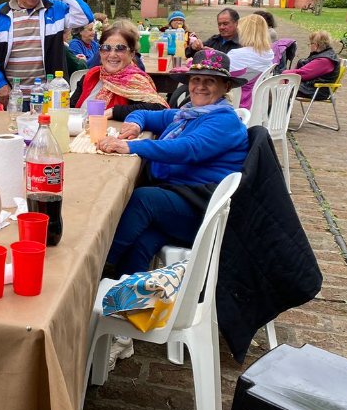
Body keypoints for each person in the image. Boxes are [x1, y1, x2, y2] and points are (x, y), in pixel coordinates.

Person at [96, 49, 248, 276]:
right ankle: (126, 294)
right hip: (184, 196)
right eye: (196, 79)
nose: (200, 86)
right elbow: (146, 114)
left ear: (226, 87)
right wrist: (135, 125)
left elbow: (186, 149)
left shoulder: (223, 120)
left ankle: (96, 268)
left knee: (143, 199)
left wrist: (130, 146)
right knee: (144, 239)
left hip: (205, 211)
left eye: (210, 81)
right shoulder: (189, 114)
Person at [71, 27, 168, 121]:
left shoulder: (135, 81)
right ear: (100, 53)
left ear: (132, 54)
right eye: (106, 48)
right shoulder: (91, 76)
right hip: (81, 134)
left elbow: (159, 108)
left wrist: (114, 112)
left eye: (120, 48)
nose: (112, 55)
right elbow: (71, 109)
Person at [226, 14, 274, 109]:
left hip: (236, 105)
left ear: (245, 33)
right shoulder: (269, 55)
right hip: (259, 107)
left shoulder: (235, 55)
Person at [294, 30, 341, 101]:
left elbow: (304, 73)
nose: (310, 46)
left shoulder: (324, 60)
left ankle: (278, 111)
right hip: (310, 87)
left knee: (277, 89)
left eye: (311, 44)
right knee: (279, 87)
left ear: (315, 46)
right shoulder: (324, 55)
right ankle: (280, 111)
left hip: (315, 90)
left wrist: (284, 74)